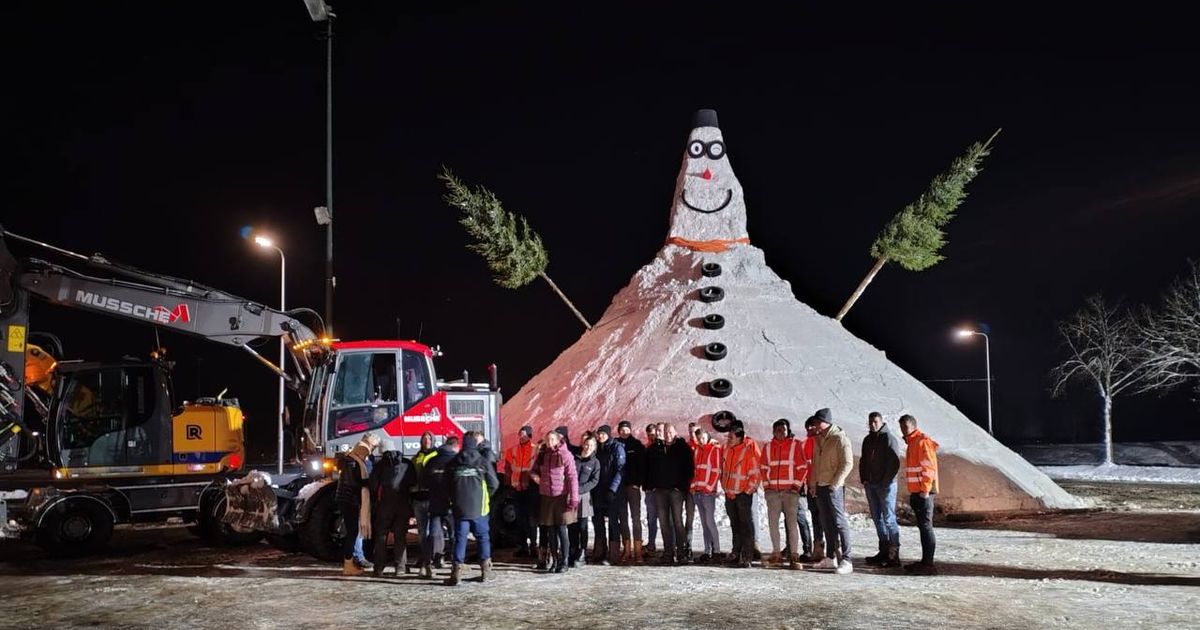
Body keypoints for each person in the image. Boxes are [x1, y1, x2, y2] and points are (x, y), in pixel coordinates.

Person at [443, 432, 500, 586]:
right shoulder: (482, 461)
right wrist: (485, 494)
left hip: (460, 507)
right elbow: (494, 483)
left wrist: (453, 498)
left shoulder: (454, 463)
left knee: (460, 538)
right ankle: (486, 570)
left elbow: (446, 484)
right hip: (479, 507)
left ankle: (456, 571)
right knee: (483, 537)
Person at [811, 408, 854, 575]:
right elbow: (815, 463)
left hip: (833, 487)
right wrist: (813, 483)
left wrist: (835, 483)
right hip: (820, 485)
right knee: (826, 522)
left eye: (817, 422)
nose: (814, 426)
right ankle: (830, 557)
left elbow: (847, 463)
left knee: (839, 522)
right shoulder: (818, 439)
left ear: (825, 422)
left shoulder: (840, 439)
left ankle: (847, 559)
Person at [531, 429, 580, 573]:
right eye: (548, 440)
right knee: (550, 530)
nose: (550, 442)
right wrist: (537, 479)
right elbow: (533, 470)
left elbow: (572, 477)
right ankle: (555, 560)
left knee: (561, 529)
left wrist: (574, 497)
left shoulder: (565, 455)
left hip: (561, 496)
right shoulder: (543, 455)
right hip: (547, 496)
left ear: (559, 440)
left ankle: (564, 562)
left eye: (553, 439)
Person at [761, 418, 805, 570]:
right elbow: (763, 468)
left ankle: (794, 555)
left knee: (792, 524)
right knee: (773, 524)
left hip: (790, 493)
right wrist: (767, 488)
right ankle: (776, 554)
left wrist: (796, 487)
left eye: (784, 430)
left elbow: (802, 468)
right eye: (778, 430)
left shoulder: (796, 445)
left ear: (788, 431)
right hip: (773, 493)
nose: (781, 433)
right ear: (773, 432)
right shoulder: (767, 447)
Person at [645, 424, 693, 565]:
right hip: (660, 490)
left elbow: (689, 469)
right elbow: (649, 467)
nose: (667, 434)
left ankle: (682, 552)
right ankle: (668, 552)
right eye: (665, 432)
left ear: (675, 432)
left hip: (676, 491)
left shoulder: (683, 448)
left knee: (677, 521)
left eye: (670, 432)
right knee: (664, 522)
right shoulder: (656, 448)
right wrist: (650, 485)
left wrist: (682, 486)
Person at [860, 411, 902, 568]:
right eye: (870, 421)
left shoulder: (889, 439)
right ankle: (883, 550)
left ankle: (894, 553)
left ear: (882, 422)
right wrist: (864, 477)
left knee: (889, 518)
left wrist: (885, 481)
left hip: (885, 485)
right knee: (877, 518)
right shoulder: (867, 440)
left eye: (875, 421)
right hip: (870, 484)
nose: (872, 424)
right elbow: (863, 460)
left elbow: (894, 463)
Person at [369, 439, 416, 576]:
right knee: (400, 536)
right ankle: (400, 567)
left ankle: (378, 568)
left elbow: (373, 486)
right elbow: (413, 482)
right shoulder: (407, 463)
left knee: (381, 536)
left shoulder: (380, 465)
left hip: (384, 505)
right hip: (402, 504)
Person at [899, 414, 940, 575]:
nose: (903, 431)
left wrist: (924, 491)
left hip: (924, 493)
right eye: (902, 428)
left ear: (914, 426)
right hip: (917, 491)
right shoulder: (913, 442)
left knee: (926, 527)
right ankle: (925, 561)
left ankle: (928, 564)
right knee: (923, 528)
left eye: (906, 427)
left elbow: (928, 468)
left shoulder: (922, 441)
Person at [335, 433, 380, 576]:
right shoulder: (352, 462)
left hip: (351, 500)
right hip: (350, 500)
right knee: (352, 532)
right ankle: (348, 565)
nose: (369, 452)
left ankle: (352, 561)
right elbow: (354, 483)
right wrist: (369, 483)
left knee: (353, 532)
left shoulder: (355, 460)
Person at [720, 421, 761, 568]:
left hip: (743, 494)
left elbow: (756, 474)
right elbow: (723, 470)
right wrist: (725, 487)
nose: (729, 439)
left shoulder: (748, 449)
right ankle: (735, 552)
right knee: (734, 525)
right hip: (729, 493)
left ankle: (747, 556)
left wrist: (747, 491)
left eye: (731, 436)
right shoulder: (726, 448)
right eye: (728, 436)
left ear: (739, 437)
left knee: (745, 525)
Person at [419, 436, 461, 578]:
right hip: (452, 504)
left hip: (435, 503)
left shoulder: (431, 461)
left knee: (433, 534)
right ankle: (456, 566)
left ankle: (427, 565)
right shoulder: (456, 461)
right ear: (455, 446)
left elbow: (424, 483)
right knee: (455, 534)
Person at [591, 424, 627, 565]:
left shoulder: (616, 447)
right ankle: (600, 552)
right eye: (599, 434)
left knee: (613, 522)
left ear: (608, 434)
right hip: (598, 490)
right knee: (597, 521)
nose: (601, 436)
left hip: (612, 491)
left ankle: (613, 554)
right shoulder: (597, 449)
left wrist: (613, 489)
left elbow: (620, 470)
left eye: (603, 434)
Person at [501, 425, 539, 557]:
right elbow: (508, 468)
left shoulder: (536, 450)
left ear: (529, 435)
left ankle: (534, 546)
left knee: (531, 518)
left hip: (531, 488)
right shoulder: (512, 450)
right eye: (520, 434)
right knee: (520, 519)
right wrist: (509, 482)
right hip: (517, 489)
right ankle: (523, 546)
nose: (521, 437)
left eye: (524, 434)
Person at [411, 431, 442, 578]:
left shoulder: (436, 456)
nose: (427, 441)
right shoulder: (416, 457)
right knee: (422, 532)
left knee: (432, 531)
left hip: (431, 497)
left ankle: (431, 559)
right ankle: (425, 558)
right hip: (418, 498)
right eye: (424, 438)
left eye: (429, 438)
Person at [690, 428, 722, 563]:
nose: (701, 441)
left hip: (708, 493)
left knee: (710, 521)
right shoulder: (697, 450)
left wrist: (709, 488)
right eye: (698, 439)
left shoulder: (714, 450)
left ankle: (717, 551)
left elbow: (716, 471)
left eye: (703, 438)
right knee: (704, 523)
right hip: (698, 491)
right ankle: (707, 550)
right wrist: (693, 486)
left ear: (707, 436)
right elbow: (695, 470)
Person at [570, 433, 600, 567]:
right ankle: (572, 550)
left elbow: (594, 480)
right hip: (570, 495)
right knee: (572, 525)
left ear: (594, 448)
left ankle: (582, 553)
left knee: (582, 526)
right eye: (587, 444)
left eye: (592, 445)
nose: (588, 447)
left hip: (584, 496)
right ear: (583, 444)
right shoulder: (575, 458)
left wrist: (580, 490)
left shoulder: (595, 462)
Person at [618, 420, 647, 563]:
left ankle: (638, 551)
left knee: (636, 518)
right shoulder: (615, 444)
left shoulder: (637, 445)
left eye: (626, 429)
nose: (624, 432)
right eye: (622, 430)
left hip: (633, 486)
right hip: (620, 487)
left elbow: (643, 466)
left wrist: (638, 483)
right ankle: (626, 549)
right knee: (623, 518)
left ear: (630, 430)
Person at [801, 417, 823, 562]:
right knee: (815, 516)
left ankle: (833, 549)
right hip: (810, 486)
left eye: (811, 427)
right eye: (807, 428)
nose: (809, 430)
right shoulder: (804, 444)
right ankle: (817, 547)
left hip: (822, 486)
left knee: (826, 518)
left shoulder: (822, 443)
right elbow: (803, 466)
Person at [643, 423, 662, 557]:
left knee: (665, 519)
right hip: (649, 489)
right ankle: (651, 544)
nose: (651, 437)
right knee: (651, 518)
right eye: (649, 435)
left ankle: (670, 546)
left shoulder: (662, 448)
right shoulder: (646, 449)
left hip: (661, 489)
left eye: (653, 434)